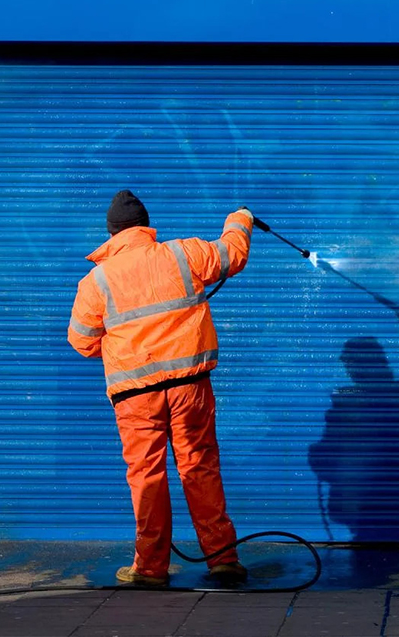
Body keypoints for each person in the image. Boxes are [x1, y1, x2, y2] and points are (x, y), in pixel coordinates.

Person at [68, 190, 253, 586]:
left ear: (112, 233)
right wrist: (240, 217)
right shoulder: (182, 254)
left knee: (146, 475)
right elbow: (232, 254)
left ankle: (150, 569)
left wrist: (126, 347)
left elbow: (81, 340)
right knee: (199, 466)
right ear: (145, 227)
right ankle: (221, 559)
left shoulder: (96, 280)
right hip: (190, 387)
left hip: (135, 395)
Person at [309, 305, 399, 544]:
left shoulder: (358, 404)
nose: (351, 370)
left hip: (383, 517)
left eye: (353, 363)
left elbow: (327, 464)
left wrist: (317, 456)